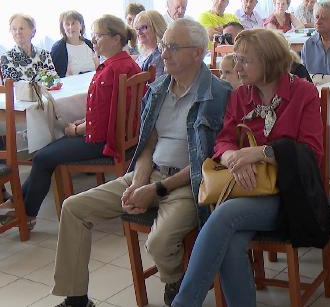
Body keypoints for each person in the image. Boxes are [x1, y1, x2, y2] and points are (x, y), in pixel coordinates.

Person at [48, 19, 231, 307]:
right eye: (163, 46)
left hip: (190, 184)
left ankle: (175, 281)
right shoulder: (158, 89)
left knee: (158, 242)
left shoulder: (218, 95)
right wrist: (137, 182)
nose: (164, 53)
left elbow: (208, 161)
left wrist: (156, 190)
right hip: (151, 173)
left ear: (197, 53)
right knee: (73, 208)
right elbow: (147, 143)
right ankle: (76, 299)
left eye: (172, 47)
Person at [172, 28, 324, 307]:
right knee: (230, 245)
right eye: (236, 59)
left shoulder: (303, 92)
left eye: (245, 61)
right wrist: (232, 158)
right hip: (247, 188)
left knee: (225, 214)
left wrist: (260, 153)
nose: (236, 67)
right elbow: (224, 140)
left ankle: (184, 303)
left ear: (268, 61)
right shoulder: (241, 95)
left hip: (288, 193)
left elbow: (311, 155)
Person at [0, 15, 139, 230]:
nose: (94, 41)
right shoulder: (126, 64)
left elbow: (100, 125)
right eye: (93, 36)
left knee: (43, 156)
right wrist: (82, 123)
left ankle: (26, 213)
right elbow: (108, 110)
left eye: (99, 36)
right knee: (48, 150)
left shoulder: (110, 71)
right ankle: (17, 204)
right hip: (122, 135)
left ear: (116, 39)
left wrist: (75, 129)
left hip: (104, 141)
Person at [1, 13, 55, 82]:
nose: (17, 32)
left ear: (33, 32)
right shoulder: (6, 58)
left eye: (21, 28)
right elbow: (12, 87)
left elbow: (53, 81)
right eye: (14, 29)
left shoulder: (44, 54)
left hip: (46, 93)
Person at [51, 10, 98, 78]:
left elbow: (98, 68)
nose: (70, 27)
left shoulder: (90, 44)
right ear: (63, 28)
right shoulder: (58, 48)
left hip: (94, 84)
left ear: (81, 26)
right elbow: (57, 77)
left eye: (73, 23)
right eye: (67, 24)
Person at [134, 10, 168, 77]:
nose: (139, 32)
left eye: (143, 27)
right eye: (137, 28)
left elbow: (156, 86)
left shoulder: (160, 55)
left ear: (156, 27)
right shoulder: (144, 53)